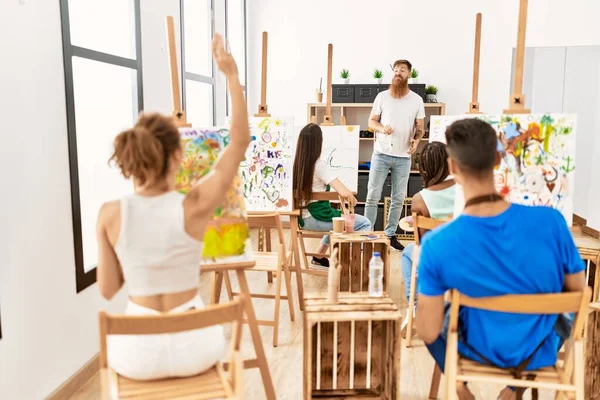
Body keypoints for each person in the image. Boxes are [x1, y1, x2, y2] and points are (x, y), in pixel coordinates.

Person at [95, 34, 251, 381]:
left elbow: (107, 289)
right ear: (177, 156)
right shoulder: (194, 205)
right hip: (194, 349)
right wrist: (231, 76)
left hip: (138, 355)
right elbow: (239, 140)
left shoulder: (109, 214)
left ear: (132, 159)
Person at [414, 118, 586, 400]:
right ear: (497, 159)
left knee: (433, 317)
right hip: (537, 350)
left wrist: (457, 382)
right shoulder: (552, 222)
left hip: (477, 349)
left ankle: (461, 388)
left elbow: (429, 330)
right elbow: (578, 294)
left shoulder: (437, 243)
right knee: (566, 307)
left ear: (453, 168)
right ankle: (517, 385)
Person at [365, 59, 426, 251]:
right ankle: (366, 234)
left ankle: (390, 235)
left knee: (398, 198)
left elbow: (420, 129)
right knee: (372, 195)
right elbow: (372, 122)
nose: (398, 73)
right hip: (381, 154)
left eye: (402, 70)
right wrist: (382, 129)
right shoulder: (382, 97)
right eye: (396, 70)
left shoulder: (416, 100)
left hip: (403, 157)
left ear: (409, 75)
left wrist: (416, 141)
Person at [293, 123, 372, 269]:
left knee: (336, 220)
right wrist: (353, 201)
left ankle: (319, 256)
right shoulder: (319, 165)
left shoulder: (296, 165)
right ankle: (352, 263)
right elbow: (345, 193)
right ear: (318, 143)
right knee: (365, 223)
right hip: (317, 219)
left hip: (302, 220)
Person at [400, 142, 455, 313]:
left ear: (423, 168)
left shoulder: (419, 199)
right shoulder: (464, 187)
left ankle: (417, 305)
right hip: (466, 257)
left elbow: (423, 243)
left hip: (438, 260)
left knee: (407, 253)